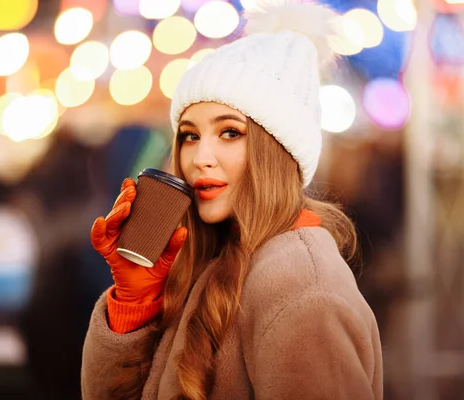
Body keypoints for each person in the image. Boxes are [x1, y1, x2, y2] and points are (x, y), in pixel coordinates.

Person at [81, 1, 383, 399]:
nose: (200, 158)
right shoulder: (217, 256)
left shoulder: (301, 289)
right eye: (190, 135)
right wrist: (133, 305)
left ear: (278, 149)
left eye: (229, 133)